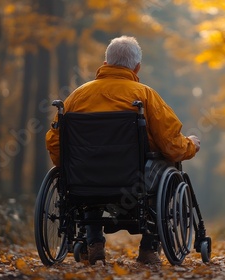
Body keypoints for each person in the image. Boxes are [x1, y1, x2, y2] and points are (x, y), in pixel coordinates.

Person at [45, 35, 200, 265]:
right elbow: (171, 145)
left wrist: (67, 168)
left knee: (90, 181)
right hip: (135, 180)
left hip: (84, 179)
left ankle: (94, 242)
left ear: (106, 64)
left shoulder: (77, 96)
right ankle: (149, 247)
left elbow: (55, 142)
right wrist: (190, 144)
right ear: (137, 67)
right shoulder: (145, 96)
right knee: (170, 165)